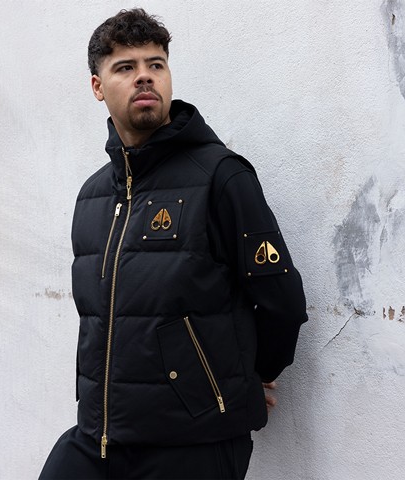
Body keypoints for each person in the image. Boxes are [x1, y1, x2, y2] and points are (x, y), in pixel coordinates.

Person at [39, 8, 308, 480]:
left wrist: (242, 378)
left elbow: (281, 300)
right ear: (98, 86)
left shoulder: (221, 176)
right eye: (126, 67)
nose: (144, 76)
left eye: (155, 64)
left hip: (192, 442)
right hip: (100, 435)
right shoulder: (93, 196)